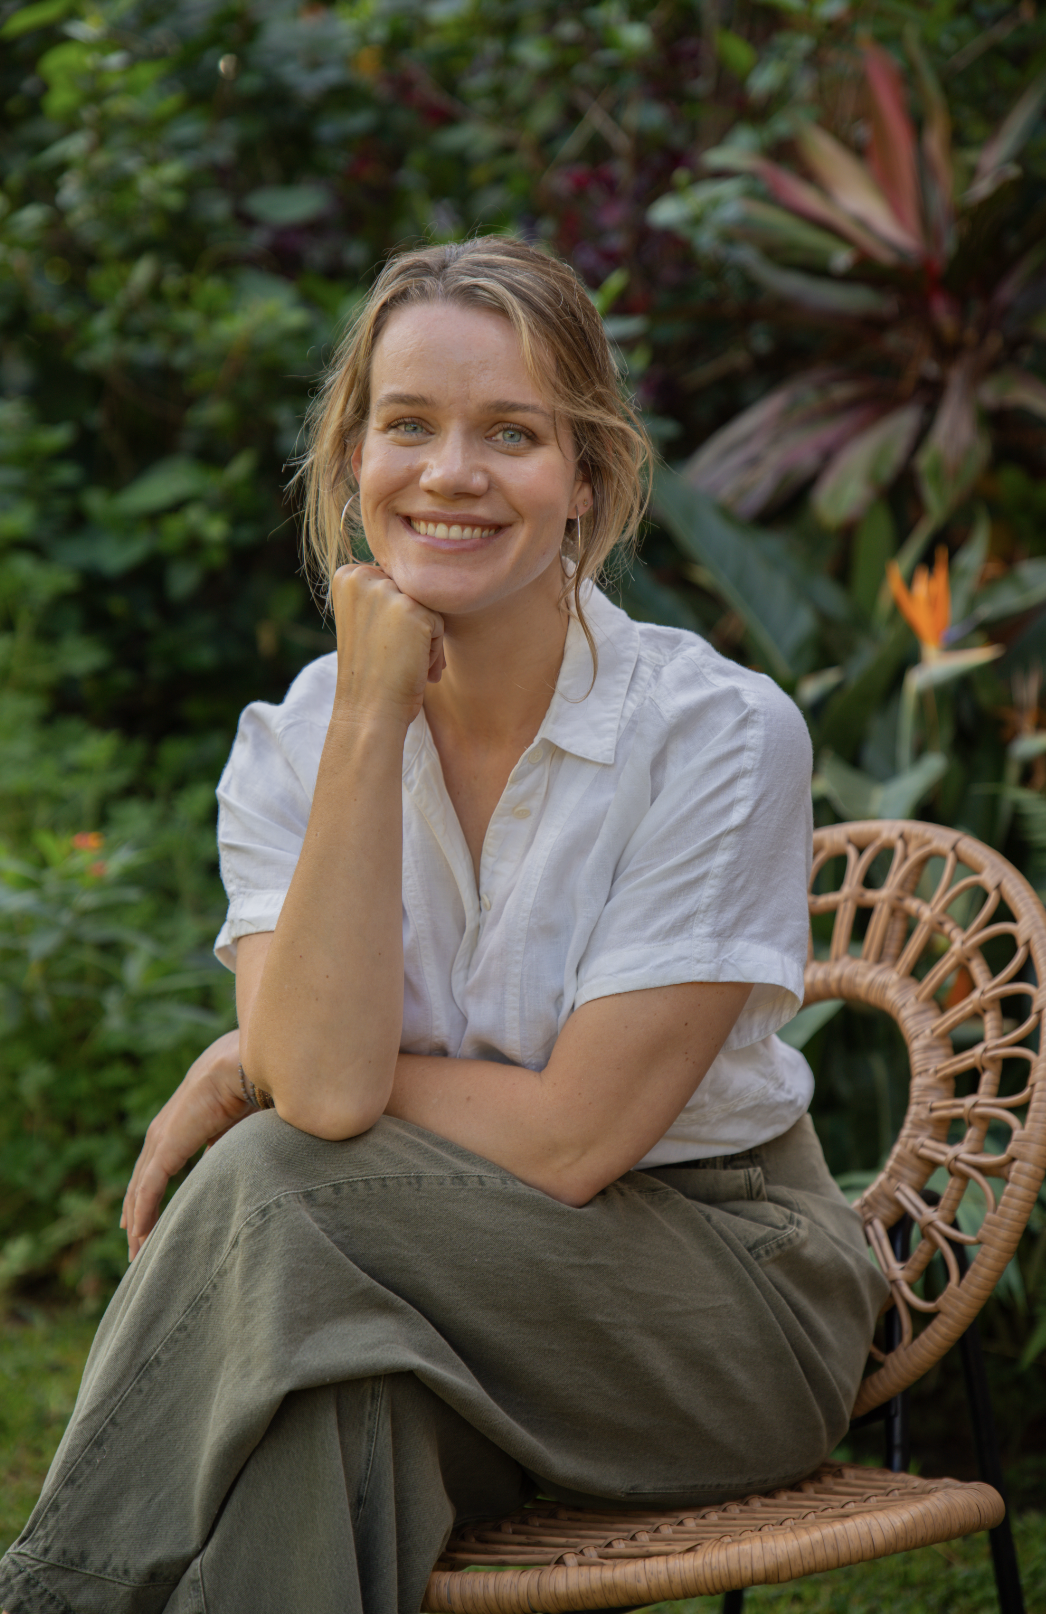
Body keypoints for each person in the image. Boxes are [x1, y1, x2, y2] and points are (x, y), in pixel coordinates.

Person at [0, 236, 887, 1614]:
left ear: (584, 475)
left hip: (718, 1304)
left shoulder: (713, 734)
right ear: (351, 458)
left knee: (271, 1173)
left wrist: (252, 1068)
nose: (450, 472)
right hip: (414, 1299)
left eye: (511, 433)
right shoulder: (295, 740)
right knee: (330, 1423)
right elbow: (333, 1082)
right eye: (405, 424)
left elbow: (564, 1138)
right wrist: (367, 718)